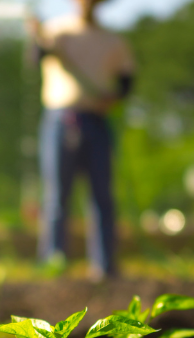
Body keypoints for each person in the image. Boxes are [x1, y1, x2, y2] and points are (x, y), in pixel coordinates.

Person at [27, 0, 135, 280]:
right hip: (60, 120)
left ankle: (104, 266)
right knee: (56, 195)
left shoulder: (112, 41)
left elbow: (126, 81)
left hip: (97, 120)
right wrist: (37, 40)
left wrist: (114, 97)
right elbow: (35, 60)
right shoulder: (55, 31)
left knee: (101, 196)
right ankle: (54, 260)